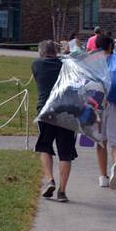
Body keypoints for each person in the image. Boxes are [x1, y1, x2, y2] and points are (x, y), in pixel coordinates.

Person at [33, 40, 76, 203]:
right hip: (67, 111)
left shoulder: (36, 65)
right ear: (56, 52)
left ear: (41, 52)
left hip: (45, 111)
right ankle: (62, 191)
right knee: (66, 153)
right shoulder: (67, 64)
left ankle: (50, 179)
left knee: (45, 146)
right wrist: (67, 52)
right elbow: (76, 62)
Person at [93, 33, 116, 189]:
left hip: (98, 105)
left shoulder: (93, 62)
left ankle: (103, 177)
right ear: (111, 46)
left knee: (101, 141)